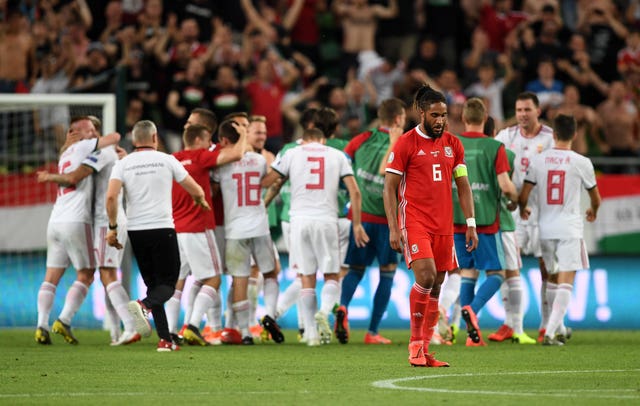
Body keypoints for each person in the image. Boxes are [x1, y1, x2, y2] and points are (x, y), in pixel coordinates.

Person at [383, 84, 478, 367]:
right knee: (425, 276)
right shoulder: (406, 144)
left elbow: (463, 186)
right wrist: (393, 227)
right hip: (414, 221)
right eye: (435, 115)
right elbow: (389, 187)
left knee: (437, 286)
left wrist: (470, 223)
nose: (440, 120)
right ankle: (414, 346)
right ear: (420, 112)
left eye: (444, 115)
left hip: (444, 226)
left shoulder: (454, 145)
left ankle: (424, 350)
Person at [106, 120, 209, 352]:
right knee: (169, 286)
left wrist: (113, 228)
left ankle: (165, 340)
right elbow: (196, 189)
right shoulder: (167, 160)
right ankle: (144, 306)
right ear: (155, 138)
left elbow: (111, 197)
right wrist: (200, 199)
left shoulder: (124, 164)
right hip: (163, 229)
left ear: (133, 140)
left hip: (136, 232)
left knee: (154, 285)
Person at [37, 117, 140, 346]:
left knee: (105, 275)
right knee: (105, 276)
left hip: (107, 220)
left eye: (94, 131)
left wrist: (50, 175)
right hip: (99, 220)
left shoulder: (102, 152)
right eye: (89, 130)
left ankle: (131, 326)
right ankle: (116, 332)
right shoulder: (104, 152)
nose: (92, 135)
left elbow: (74, 176)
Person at [261, 128, 368, 346]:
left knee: (306, 277)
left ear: (304, 138)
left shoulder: (291, 152)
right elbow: (355, 192)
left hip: (298, 221)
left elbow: (269, 181)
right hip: (326, 220)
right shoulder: (336, 155)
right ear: (322, 139)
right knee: (332, 275)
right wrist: (357, 224)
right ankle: (325, 310)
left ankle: (310, 335)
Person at [518, 114, 600, 345]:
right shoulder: (582, 162)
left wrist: (524, 209)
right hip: (569, 228)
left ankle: (556, 327)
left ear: (553, 135)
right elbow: (596, 197)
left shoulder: (538, 161)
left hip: (545, 228)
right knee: (566, 279)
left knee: (552, 278)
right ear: (574, 134)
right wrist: (593, 210)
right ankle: (551, 332)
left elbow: (524, 195)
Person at [335, 98, 406, 345]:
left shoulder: (361, 139)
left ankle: (342, 307)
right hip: (387, 221)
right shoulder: (404, 143)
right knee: (387, 272)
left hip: (360, 217)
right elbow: (387, 171)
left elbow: (341, 162)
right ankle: (372, 332)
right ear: (398, 119)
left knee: (355, 269)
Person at [452, 98, 521, 347]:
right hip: (484, 220)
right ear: (485, 118)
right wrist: (517, 198)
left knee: (468, 272)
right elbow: (505, 185)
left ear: (463, 118)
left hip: (457, 219)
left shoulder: (451, 143)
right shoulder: (495, 147)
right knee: (496, 273)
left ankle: (473, 335)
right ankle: (472, 309)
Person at [172, 123, 246, 346]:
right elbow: (237, 153)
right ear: (197, 141)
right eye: (206, 140)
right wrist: (243, 133)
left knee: (179, 281)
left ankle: (169, 331)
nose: (209, 145)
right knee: (213, 278)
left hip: (177, 228)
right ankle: (193, 325)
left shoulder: (173, 158)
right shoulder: (199, 156)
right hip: (198, 226)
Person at [212, 119, 283, 345]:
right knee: (270, 273)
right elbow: (267, 182)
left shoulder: (221, 163)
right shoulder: (259, 160)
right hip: (259, 226)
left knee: (240, 279)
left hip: (234, 229)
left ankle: (243, 333)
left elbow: (212, 190)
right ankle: (270, 315)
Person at [494, 91, 554, 343]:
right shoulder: (506, 136)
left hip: (543, 212)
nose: (522, 114)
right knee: (509, 267)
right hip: (513, 212)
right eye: (519, 110)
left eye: (527, 110)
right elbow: (490, 156)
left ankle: (546, 325)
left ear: (538, 111)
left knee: (547, 269)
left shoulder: (551, 138)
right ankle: (511, 323)